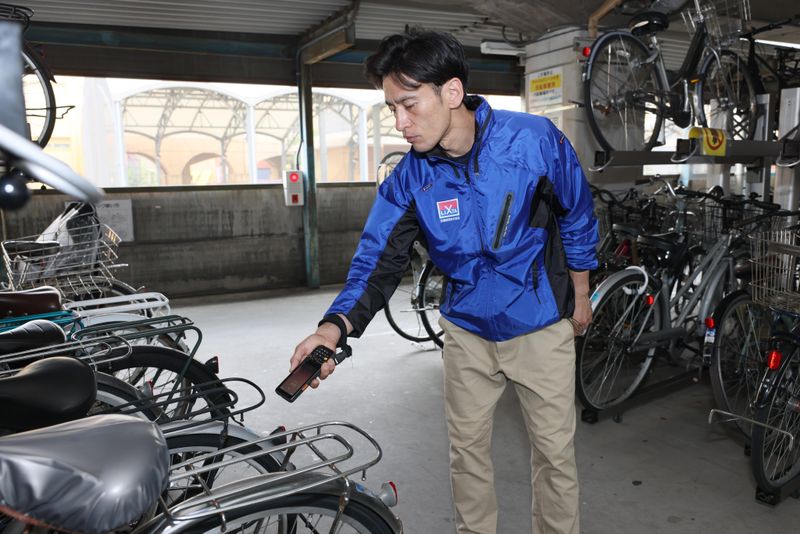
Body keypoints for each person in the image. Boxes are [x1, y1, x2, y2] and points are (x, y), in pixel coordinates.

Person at [290, 29, 598, 534]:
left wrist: (581, 295)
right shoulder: (411, 178)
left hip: (539, 323)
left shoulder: (534, 142)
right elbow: (376, 259)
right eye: (391, 108)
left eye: (409, 105)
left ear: (451, 93)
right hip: (466, 331)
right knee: (467, 456)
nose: (400, 123)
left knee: (554, 456)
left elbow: (578, 215)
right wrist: (333, 328)